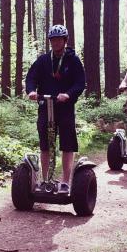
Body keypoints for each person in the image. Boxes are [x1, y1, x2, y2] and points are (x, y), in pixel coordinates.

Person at [24, 24, 86, 193]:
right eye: (53, 40)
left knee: (67, 144)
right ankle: (45, 180)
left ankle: (66, 182)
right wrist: (31, 91)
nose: (56, 43)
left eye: (59, 40)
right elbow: (31, 78)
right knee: (45, 144)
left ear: (65, 41)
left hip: (65, 108)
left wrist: (68, 94)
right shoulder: (43, 60)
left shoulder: (73, 60)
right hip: (45, 106)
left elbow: (80, 82)